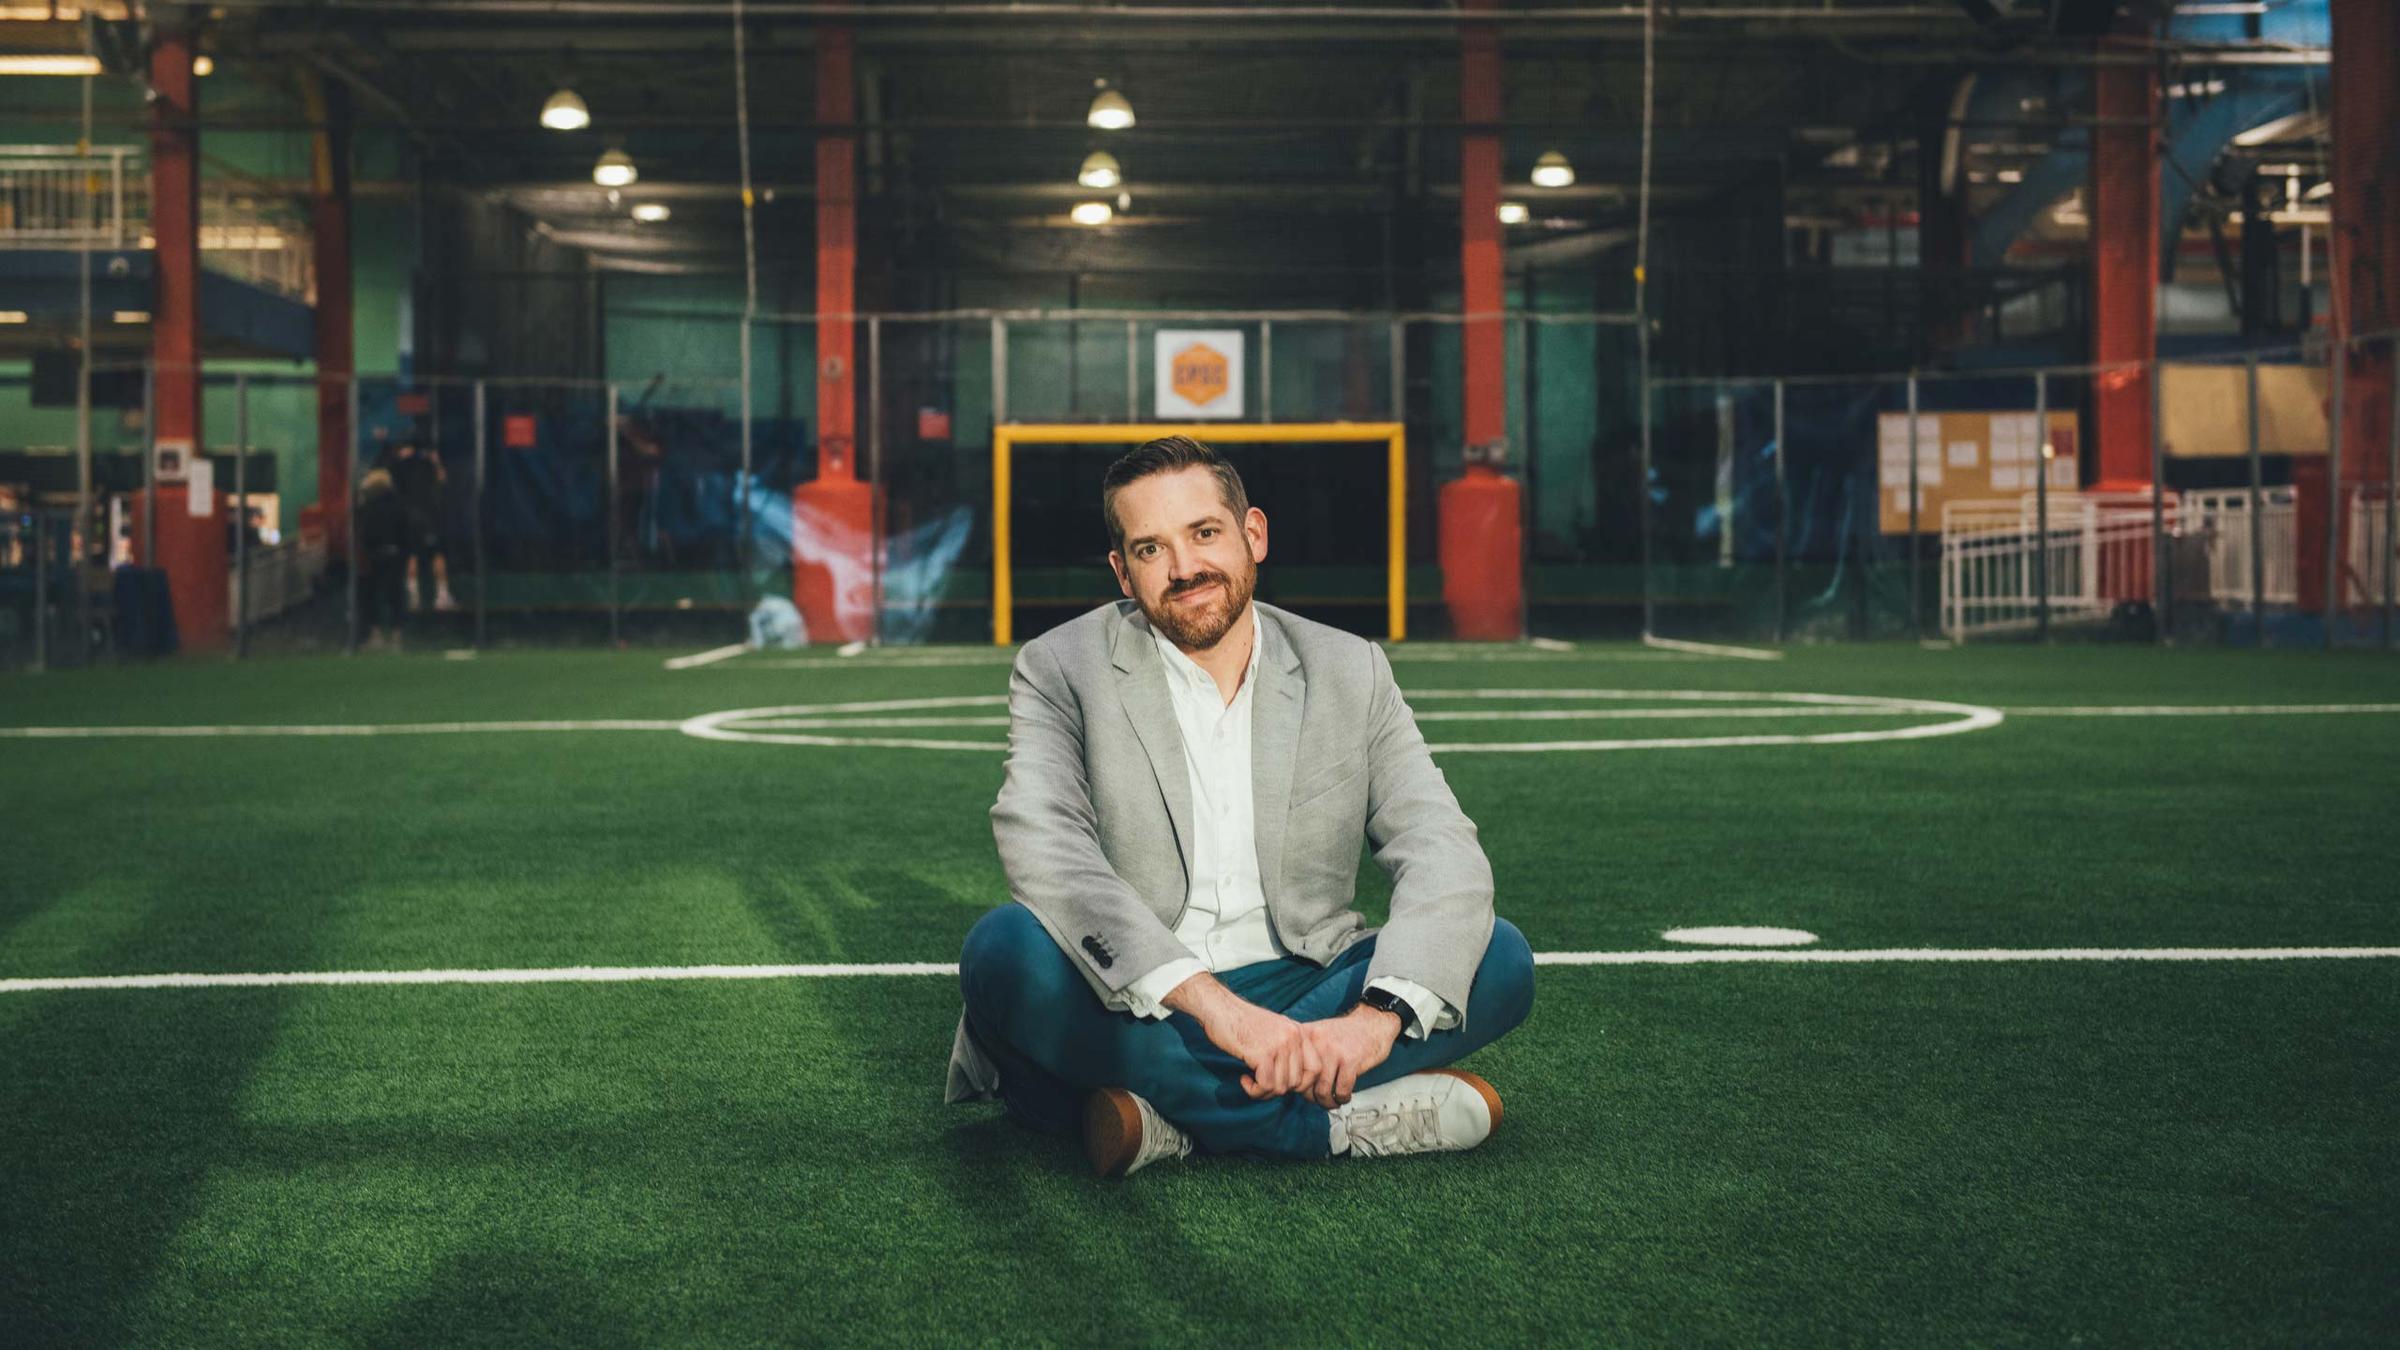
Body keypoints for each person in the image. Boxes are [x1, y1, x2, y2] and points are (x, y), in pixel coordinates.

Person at [949, 435, 1534, 1177]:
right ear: (1122, 574)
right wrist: (1221, 1014)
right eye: (1151, 549)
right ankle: (1325, 1127)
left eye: (1203, 534)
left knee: (1500, 955)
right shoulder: (1060, 666)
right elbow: (1047, 850)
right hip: (1145, 992)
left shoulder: (1347, 667)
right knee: (1005, 952)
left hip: (1300, 974)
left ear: (1251, 534)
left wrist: (1371, 1025)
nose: (1185, 567)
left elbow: (1439, 845)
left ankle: (1166, 1114)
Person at [388, 440, 456, 612]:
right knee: (437, 554)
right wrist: (435, 461)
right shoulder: (425, 462)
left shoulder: (397, 465)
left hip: (409, 517)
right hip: (427, 517)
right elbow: (442, 479)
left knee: (412, 554)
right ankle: (441, 596)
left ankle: (414, 597)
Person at [355, 468, 410, 651]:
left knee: (371, 595)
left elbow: (365, 533)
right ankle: (396, 636)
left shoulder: (368, 508)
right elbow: (406, 531)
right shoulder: (399, 505)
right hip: (396, 555)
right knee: (396, 596)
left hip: (375, 556)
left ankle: (376, 634)